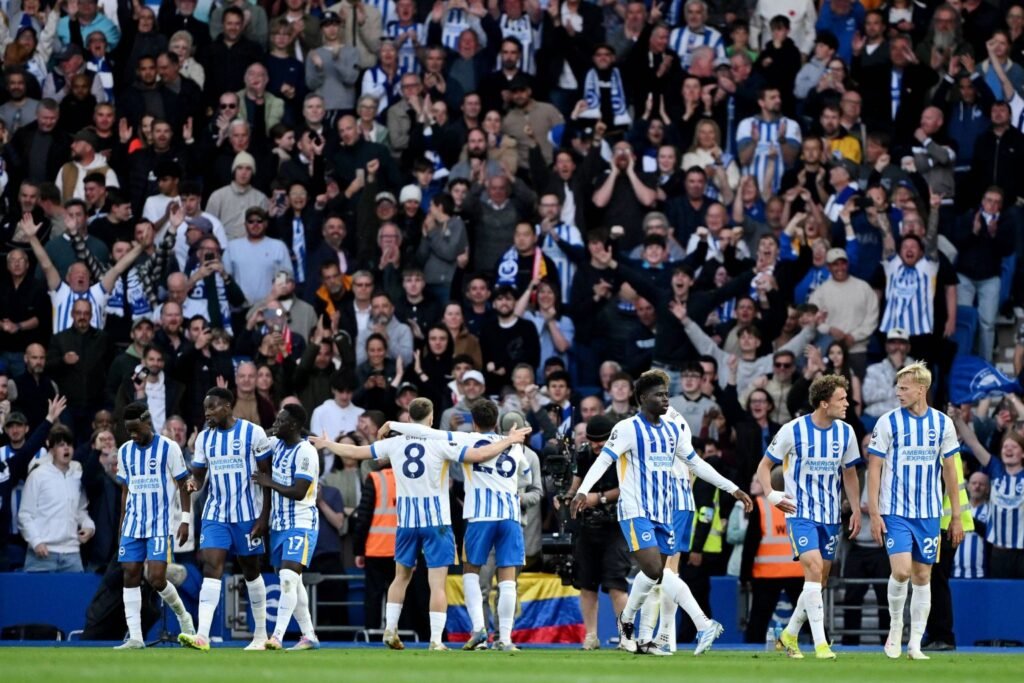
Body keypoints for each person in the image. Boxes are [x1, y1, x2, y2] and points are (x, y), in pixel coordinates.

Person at [313, 397, 530, 650]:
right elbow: (483, 456)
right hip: (440, 521)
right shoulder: (441, 443)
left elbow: (357, 452)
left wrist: (327, 443)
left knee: (400, 577)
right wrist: (509, 441)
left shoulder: (397, 443)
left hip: (407, 521)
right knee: (438, 583)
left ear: (408, 418)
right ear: (431, 417)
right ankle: (440, 640)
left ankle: (390, 629)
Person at [570, 370, 751, 655]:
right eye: (659, 394)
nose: (665, 399)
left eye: (667, 394)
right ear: (643, 398)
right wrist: (583, 491)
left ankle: (627, 620)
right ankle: (704, 624)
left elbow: (695, 463)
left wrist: (732, 488)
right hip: (636, 510)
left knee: (654, 575)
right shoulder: (628, 428)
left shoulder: (671, 430)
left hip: (664, 511)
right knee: (656, 568)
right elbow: (604, 460)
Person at [384, 399, 532, 652]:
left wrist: (392, 424)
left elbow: (425, 432)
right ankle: (506, 639)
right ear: (496, 421)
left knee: (471, 571)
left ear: (473, 422)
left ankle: (479, 630)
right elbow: (526, 477)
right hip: (509, 516)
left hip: (479, 517)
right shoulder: (516, 448)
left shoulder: (466, 440)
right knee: (507, 579)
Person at [756, 374, 862, 660]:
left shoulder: (846, 433)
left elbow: (849, 473)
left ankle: (789, 634)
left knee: (820, 580)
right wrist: (770, 493)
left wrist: (856, 509)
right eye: (842, 399)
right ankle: (820, 644)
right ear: (824, 403)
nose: (847, 403)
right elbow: (764, 466)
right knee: (813, 570)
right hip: (800, 513)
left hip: (830, 516)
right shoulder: (793, 430)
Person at [866, 363, 964, 660]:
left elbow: (951, 471)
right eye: (898, 387)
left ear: (922, 389)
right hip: (895, 511)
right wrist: (874, 512)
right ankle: (896, 630)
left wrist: (956, 516)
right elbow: (874, 469)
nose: (899, 392)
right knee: (902, 571)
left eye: (904, 387)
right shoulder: (887, 422)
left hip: (930, 513)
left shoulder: (942, 423)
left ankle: (915, 644)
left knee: (923, 577)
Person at [638, 401, 751, 655]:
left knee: (659, 572)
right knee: (664, 573)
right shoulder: (664, 422)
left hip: (671, 504)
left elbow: (695, 465)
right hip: (666, 503)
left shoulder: (667, 424)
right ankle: (661, 637)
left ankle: (697, 625)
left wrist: (731, 488)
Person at [178, 387, 273, 652]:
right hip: (216, 514)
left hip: (247, 515)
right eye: (205, 408)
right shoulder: (204, 438)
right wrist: (193, 483)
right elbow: (199, 473)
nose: (207, 413)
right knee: (211, 567)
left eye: (213, 407)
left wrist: (264, 518)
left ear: (228, 406)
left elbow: (267, 477)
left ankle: (261, 635)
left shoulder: (253, 433)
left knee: (251, 570)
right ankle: (203, 635)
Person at [114, 403, 194, 649]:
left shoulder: (168, 448)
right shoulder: (125, 451)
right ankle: (136, 636)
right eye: (129, 431)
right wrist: (121, 525)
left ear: (147, 423)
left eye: (136, 429)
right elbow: (125, 492)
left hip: (160, 524)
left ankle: (183, 616)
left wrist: (185, 520)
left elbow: (183, 484)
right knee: (130, 573)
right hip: (133, 524)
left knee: (156, 578)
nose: (133, 435)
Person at [252, 404, 322, 651]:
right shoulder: (277, 444)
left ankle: (277, 636)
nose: (276, 425)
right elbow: (256, 442)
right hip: (279, 525)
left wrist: (268, 482)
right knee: (293, 582)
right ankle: (309, 635)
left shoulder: (306, 452)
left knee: (288, 579)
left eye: (280, 421)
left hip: (302, 523)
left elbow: (300, 491)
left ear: (293, 425)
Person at [569, 414, 629, 651]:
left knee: (616, 584)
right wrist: (568, 496)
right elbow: (577, 482)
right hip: (588, 526)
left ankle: (626, 635)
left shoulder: (624, 454)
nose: (596, 446)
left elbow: (628, 486)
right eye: (593, 441)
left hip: (617, 525)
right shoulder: (584, 454)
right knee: (587, 584)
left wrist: (599, 498)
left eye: (601, 442)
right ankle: (591, 636)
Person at [951, 413, 1024, 579]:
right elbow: (973, 443)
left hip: (1022, 553)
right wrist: (958, 420)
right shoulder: (995, 469)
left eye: (1014, 447)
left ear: (1023, 454)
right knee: (1001, 599)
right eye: (1005, 446)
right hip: (998, 553)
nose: (1008, 449)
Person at [18, 425, 94, 572]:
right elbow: (25, 514)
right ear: (51, 450)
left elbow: (81, 511)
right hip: (42, 554)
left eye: (69, 445)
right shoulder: (37, 476)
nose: (66, 449)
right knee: (36, 596)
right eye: (61, 445)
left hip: (72, 554)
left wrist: (89, 526)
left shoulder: (78, 476)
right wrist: (36, 541)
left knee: (76, 596)